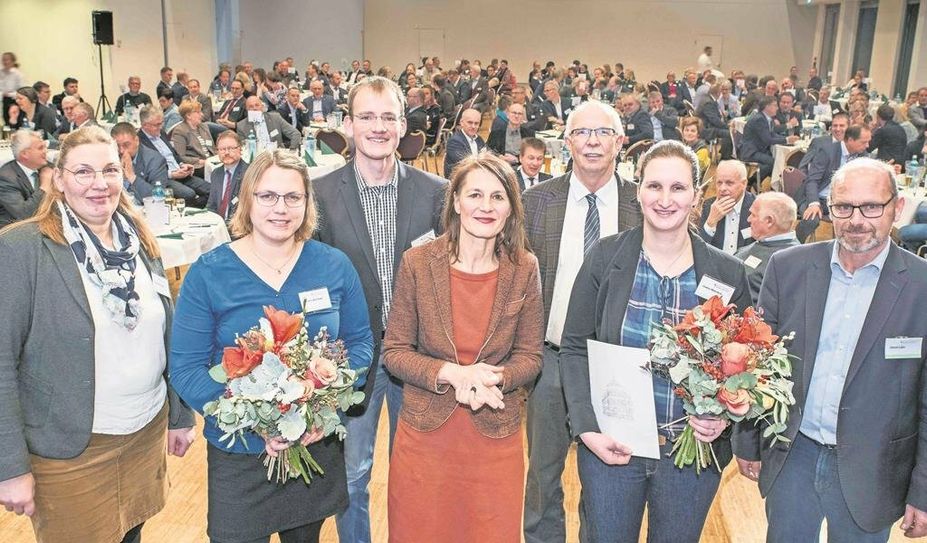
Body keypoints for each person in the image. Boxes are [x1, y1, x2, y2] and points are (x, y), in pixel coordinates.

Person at [0, 126, 196, 542]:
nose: (99, 184)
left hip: (144, 431)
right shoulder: (22, 249)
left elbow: (167, 332)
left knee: (131, 535)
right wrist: (10, 467)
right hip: (72, 451)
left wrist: (180, 414)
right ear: (57, 178)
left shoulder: (138, 239)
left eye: (109, 169)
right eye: (83, 172)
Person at [170, 148, 372, 543]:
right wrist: (253, 417)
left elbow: (360, 343)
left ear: (307, 203)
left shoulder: (334, 265)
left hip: (312, 447)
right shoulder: (209, 273)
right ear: (247, 200)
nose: (281, 208)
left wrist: (321, 403)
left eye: (293, 197)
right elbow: (186, 368)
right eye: (267, 196)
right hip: (239, 455)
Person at [559, 140, 751, 543]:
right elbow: (575, 348)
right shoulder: (605, 258)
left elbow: (744, 364)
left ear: (698, 196)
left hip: (691, 455)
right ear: (638, 190)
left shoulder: (728, 274)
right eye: (654, 186)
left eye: (678, 188)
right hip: (613, 448)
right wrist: (587, 428)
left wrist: (724, 417)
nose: (665, 200)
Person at [733, 157, 927, 542]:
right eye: (843, 207)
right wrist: (747, 441)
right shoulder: (787, 269)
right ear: (829, 208)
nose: (856, 219)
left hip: (875, 469)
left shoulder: (922, 287)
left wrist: (922, 490)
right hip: (793, 457)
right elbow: (756, 362)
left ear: (897, 208)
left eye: (871, 206)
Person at [313, 75, 446, 543]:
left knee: (418, 476)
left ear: (402, 124)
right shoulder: (319, 195)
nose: (377, 127)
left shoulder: (436, 192)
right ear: (348, 124)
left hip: (419, 358)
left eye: (387, 117)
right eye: (366, 117)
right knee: (352, 477)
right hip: (351, 360)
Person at [383, 153, 543, 542]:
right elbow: (395, 350)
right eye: (475, 194)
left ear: (511, 208)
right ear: (455, 201)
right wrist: (453, 374)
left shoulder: (525, 267)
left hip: (494, 438)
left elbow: (531, 357)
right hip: (425, 439)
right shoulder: (418, 263)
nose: (485, 207)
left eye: (498, 197)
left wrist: (495, 378)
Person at [522, 100, 642, 543]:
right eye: (583, 132)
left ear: (620, 142)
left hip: (618, 366)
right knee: (542, 478)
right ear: (567, 140)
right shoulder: (536, 202)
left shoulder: (641, 202)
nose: (593, 140)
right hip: (550, 361)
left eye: (603, 132)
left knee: (608, 479)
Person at [796, 124, 871, 242]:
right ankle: (794, 246)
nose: (867, 146)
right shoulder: (827, 151)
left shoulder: (862, 155)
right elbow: (812, 180)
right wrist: (814, 203)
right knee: (811, 219)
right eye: (864, 142)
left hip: (842, 201)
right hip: (818, 197)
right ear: (850, 140)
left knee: (863, 219)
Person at [734, 192, 799, 302]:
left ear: (769, 221)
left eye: (753, 215)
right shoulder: (760, 242)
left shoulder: (791, 260)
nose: (749, 219)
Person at [700, 159, 756, 254]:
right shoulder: (708, 206)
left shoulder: (756, 207)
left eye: (729, 183)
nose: (722, 189)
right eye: (719, 183)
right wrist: (710, 223)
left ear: (744, 184)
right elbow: (698, 249)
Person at [740, 96, 799, 181]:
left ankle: (758, 183)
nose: (777, 108)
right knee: (774, 163)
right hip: (751, 151)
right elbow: (767, 140)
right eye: (775, 105)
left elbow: (773, 134)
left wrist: (787, 138)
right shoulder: (759, 119)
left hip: (759, 149)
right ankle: (751, 182)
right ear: (767, 107)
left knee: (779, 160)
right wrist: (787, 140)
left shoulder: (767, 118)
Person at [111, 122, 164, 205]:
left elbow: (156, 197)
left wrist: (132, 177)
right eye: (117, 145)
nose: (121, 150)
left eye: (126, 145)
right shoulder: (110, 159)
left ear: (136, 140)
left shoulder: (155, 160)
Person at [207, 131, 248, 221]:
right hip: (218, 226)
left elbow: (246, 211)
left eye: (231, 148)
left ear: (240, 149)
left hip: (239, 227)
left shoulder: (248, 173)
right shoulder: (216, 174)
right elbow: (212, 206)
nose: (226, 153)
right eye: (222, 149)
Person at [236, 96, 301, 151]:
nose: (254, 108)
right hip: (256, 159)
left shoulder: (275, 118)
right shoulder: (241, 126)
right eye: (251, 106)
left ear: (262, 106)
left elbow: (295, 134)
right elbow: (243, 148)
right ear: (247, 109)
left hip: (276, 156)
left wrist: (292, 151)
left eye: (257, 105)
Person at [171, 100, 214, 175]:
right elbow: (180, 157)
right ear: (188, 115)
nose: (202, 114)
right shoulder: (180, 131)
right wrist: (199, 161)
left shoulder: (204, 126)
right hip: (197, 166)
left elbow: (213, 148)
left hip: (212, 161)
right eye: (198, 112)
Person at [444, 108, 486, 178]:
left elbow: (486, 157)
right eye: (470, 122)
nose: (473, 126)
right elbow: (465, 164)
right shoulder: (454, 141)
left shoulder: (479, 140)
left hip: (476, 176)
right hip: (459, 180)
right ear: (461, 123)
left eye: (476, 123)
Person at [1, 52, 24, 125]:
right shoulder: (1, 72)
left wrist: (10, 94)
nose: (5, 62)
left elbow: (22, 90)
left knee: (14, 122)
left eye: (7, 60)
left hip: (14, 100)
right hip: (3, 99)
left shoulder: (18, 74)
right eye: (3, 60)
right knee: (5, 121)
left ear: (13, 61)